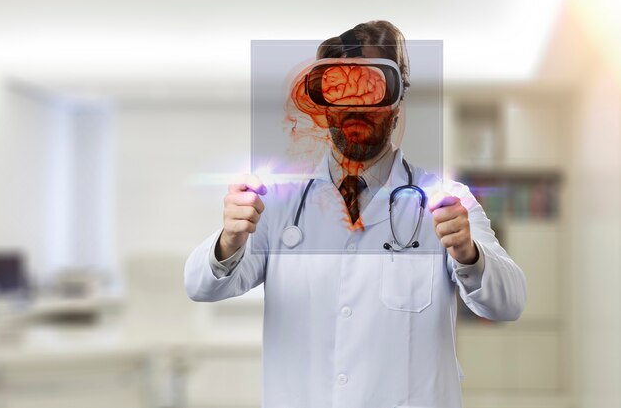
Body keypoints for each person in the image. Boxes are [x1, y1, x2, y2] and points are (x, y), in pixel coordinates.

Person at [185, 20, 527, 408]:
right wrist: (228, 240)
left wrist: (468, 254)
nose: (355, 106)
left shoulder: (447, 201)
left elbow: (509, 302)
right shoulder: (280, 203)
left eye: (371, 89)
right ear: (324, 104)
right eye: (340, 89)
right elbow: (201, 286)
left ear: (398, 100)